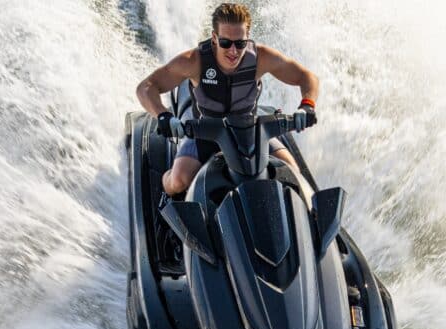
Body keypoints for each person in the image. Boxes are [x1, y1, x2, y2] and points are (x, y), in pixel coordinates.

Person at [135, 3, 320, 197]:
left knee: (292, 173)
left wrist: (307, 106)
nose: (233, 51)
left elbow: (307, 77)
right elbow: (146, 87)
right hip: (205, 133)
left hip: (251, 132)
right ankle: (164, 186)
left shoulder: (262, 57)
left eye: (240, 43)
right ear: (214, 38)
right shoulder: (194, 61)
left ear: (247, 37)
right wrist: (163, 116)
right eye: (225, 43)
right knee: (178, 182)